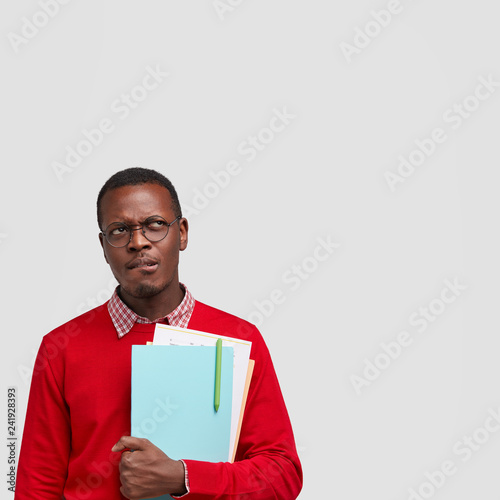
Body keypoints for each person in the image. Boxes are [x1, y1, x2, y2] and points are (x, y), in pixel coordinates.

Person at [15, 167, 303, 500]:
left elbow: (282, 476)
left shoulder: (240, 339)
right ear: (103, 245)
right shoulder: (60, 348)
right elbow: (37, 487)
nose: (138, 242)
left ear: (181, 233)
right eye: (119, 230)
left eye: (155, 225)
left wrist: (184, 477)